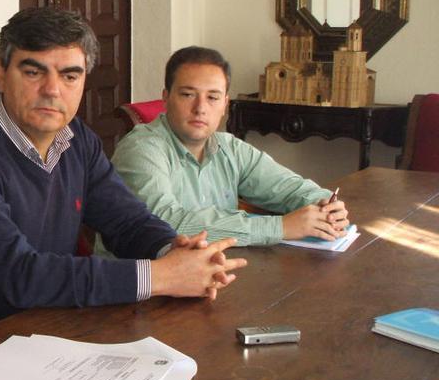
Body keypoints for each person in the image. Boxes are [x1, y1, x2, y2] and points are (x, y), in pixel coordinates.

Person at [0, 8, 246, 324]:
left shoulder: (77, 139)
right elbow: (17, 275)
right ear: (1, 73)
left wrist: (176, 250)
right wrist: (162, 276)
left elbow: (125, 221)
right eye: (33, 71)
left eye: (70, 75)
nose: (52, 90)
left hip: (50, 325)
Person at [96, 46, 350, 250]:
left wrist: (323, 205)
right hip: (142, 292)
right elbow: (166, 223)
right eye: (187, 94)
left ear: (225, 104)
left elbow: (288, 187)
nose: (201, 108)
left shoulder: (229, 148)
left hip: (205, 278)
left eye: (213, 97)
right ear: (166, 97)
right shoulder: (141, 149)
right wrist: (280, 227)